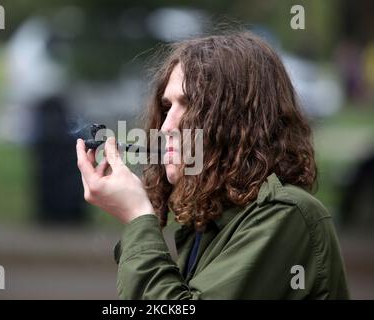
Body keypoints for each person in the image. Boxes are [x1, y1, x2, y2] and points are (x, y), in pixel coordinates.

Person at [76, 30, 349, 299]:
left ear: (240, 121)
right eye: (167, 106)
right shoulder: (208, 225)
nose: (167, 126)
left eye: (189, 104)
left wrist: (138, 216)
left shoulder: (286, 215)